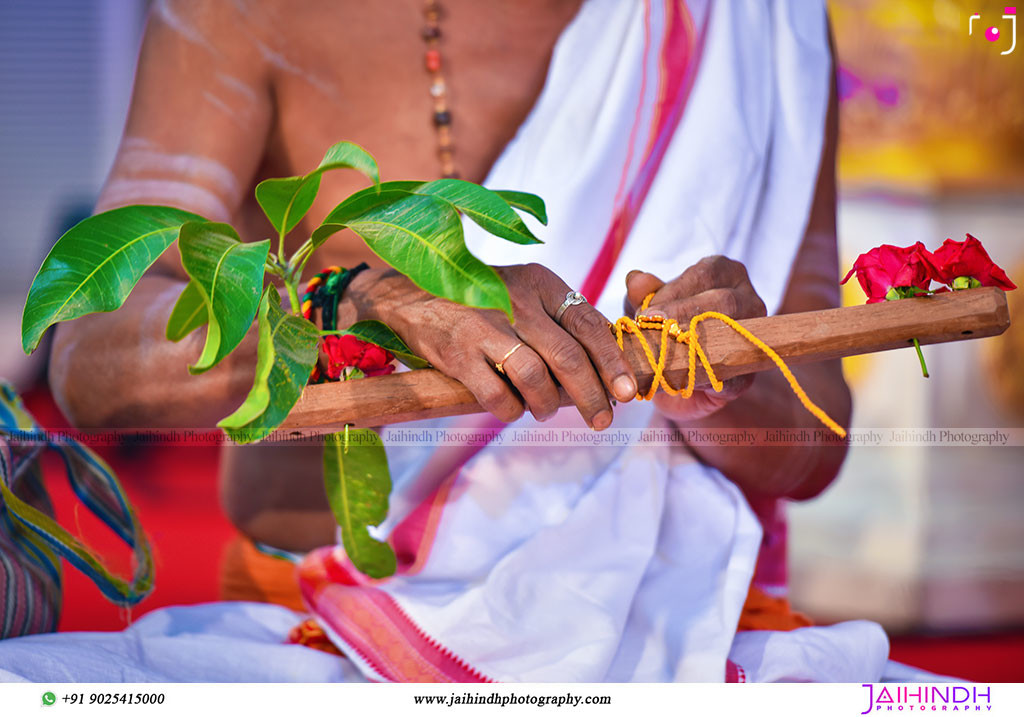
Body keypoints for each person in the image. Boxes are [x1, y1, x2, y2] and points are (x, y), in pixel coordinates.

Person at [1, 0, 897, 682]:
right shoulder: (248, 13)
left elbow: (814, 443)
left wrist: (719, 373)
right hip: (320, 628)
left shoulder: (751, 25)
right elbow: (91, 351)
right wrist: (360, 300)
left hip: (679, 632)